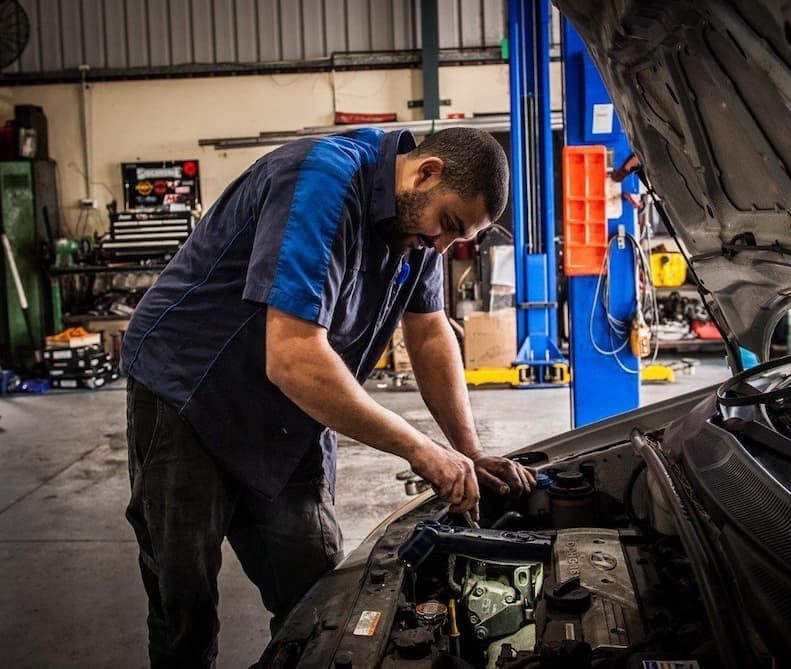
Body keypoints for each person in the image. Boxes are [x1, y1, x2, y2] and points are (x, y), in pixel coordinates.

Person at [120, 126, 535, 668]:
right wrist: (418, 448)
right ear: (426, 172)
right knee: (185, 608)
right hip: (190, 397)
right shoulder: (321, 182)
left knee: (317, 596)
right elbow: (292, 356)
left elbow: (431, 332)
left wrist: (469, 450)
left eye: (458, 238)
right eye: (449, 225)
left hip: (289, 410)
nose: (443, 246)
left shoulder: (420, 228)